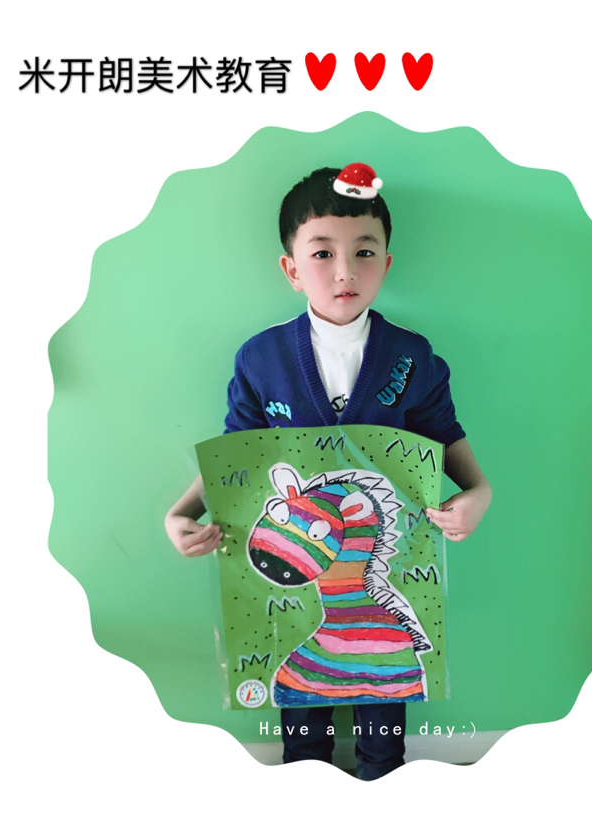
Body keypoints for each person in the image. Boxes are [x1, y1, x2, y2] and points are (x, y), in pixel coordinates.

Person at [165, 164, 492, 780]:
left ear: (386, 264)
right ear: (291, 269)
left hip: (386, 569)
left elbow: (446, 436)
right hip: (296, 582)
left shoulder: (412, 357)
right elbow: (239, 453)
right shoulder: (261, 359)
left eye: (364, 252)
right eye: (322, 253)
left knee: (384, 721)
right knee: (301, 727)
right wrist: (183, 512)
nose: (345, 271)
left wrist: (478, 492)